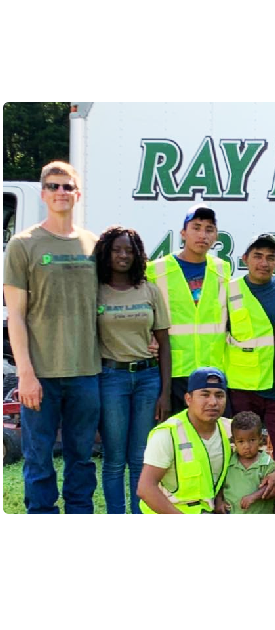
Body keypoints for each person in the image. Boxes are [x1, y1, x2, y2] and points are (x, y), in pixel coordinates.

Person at [3, 160, 101, 514]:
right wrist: (25, 374)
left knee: (81, 459)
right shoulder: (23, 244)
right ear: (43, 194)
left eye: (67, 186)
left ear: (78, 194)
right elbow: (15, 315)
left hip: (86, 373)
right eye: (53, 186)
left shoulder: (93, 245)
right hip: (41, 374)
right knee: (39, 458)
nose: (61, 192)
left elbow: (106, 305)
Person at [94, 225, 172, 514]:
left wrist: (165, 393)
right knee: (114, 458)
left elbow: (164, 343)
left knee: (141, 457)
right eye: (116, 250)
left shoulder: (149, 289)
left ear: (138, 254)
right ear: (106, 254)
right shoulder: (96, 291)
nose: (123, 255)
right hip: (111, 379)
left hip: (147, 379)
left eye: (129, 250)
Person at [137, 367, 275, 514]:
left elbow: (262, 455)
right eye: (205, 395)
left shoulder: (231, 429)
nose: (213, 402)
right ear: (188, 399)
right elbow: (146, 488)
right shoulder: (167, 433)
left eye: (219, 395)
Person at [146, 204, 230, 415]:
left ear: (216, 236)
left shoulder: (222, 269)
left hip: (212, 371)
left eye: (209, 229)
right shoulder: (156, 270)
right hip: (173, 371)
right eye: (196, 227)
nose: (203, 235)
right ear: (183, 233)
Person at [226, 233, 275, 467]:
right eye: (257, 256)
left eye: (270, 257)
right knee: (243, 454)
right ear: (245, 259)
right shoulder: (229, 291)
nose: (264, 263)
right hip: (243, 389)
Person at [215, 411, 275, 514]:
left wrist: (254, 496)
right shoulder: (228, 462)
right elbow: (219, 484)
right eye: (241, 441)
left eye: (252, 440)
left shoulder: (267, 463)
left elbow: (271, 488)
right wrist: (219, 501)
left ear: (260, 439)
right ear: (234, 441)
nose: (247, 446)